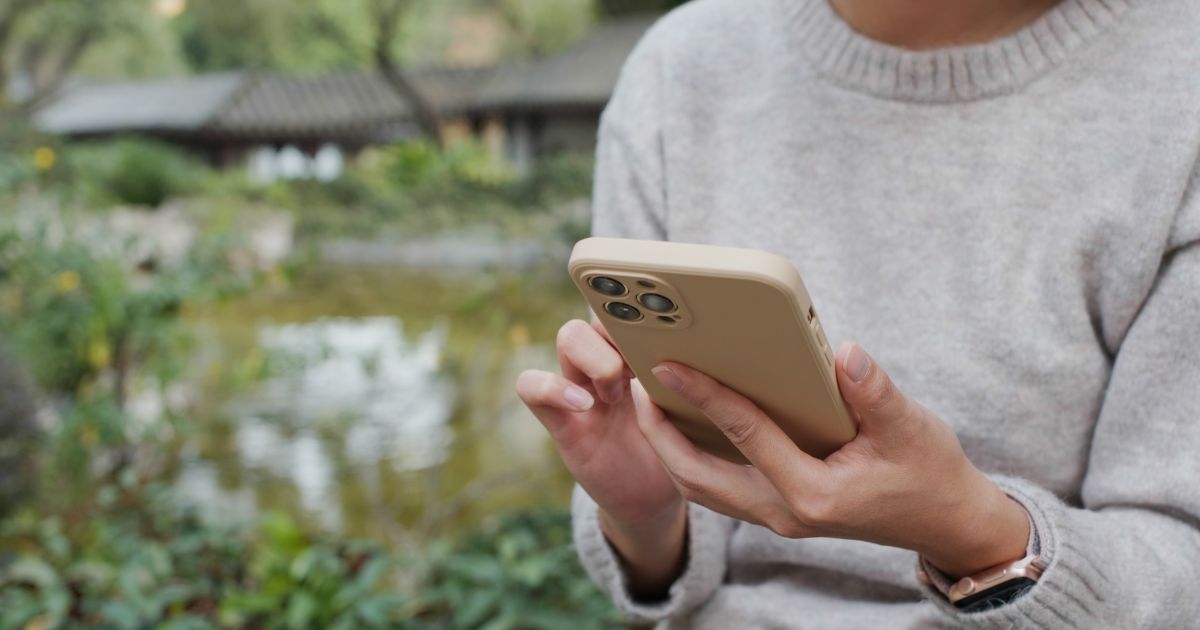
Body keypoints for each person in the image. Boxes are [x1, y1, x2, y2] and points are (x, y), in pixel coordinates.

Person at [515, 0, 1200, 626]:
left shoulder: (1179, 78)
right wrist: (646, 511)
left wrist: (970, 529)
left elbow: (1182, 558)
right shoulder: (682, 69)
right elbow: (670, 573)